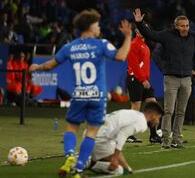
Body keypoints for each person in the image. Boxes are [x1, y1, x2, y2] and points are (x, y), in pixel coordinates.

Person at [29, 9, 132, 178]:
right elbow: (121, 57)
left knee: (71, 128)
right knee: (91, 132)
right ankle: (78, 169)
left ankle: (70, 156)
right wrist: (128, 37)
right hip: (97, 96)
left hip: (79, 94)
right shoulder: (101, 44)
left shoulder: (71, 46)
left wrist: (36, 67)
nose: (99, 28)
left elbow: (49, 66)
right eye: (97, 25)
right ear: (91, 27)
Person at [134, 8, 195, 149]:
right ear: (176, 26)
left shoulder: (192, 38)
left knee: (181, 112)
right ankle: (165, 140)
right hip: (171, 79)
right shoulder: (167, 35)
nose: (185, 29)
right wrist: (139, 23)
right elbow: (151, 34)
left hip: (186, 80)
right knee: (168, 110)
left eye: (187, 26)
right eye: (182, 26)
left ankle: (176, 139)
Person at [87, 102, 164, 175]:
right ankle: (89, 164)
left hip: (92, 132)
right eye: (158, 118)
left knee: (123, 166)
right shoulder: (142, 123)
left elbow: (116, 144)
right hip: (101, 139)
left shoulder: (136, 115)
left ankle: (87, 158)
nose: (158, 122)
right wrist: (115, 158)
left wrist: (127, 168)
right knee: (119, 170)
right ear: (153, 115)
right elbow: (122, 134)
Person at [126, 24, 161, 144]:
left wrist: (146, 79)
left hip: (144, 80)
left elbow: (144, 66)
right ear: (136, 31)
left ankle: (153, 135)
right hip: (135, 79)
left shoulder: (145, 45)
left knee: (153, 105)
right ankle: (129, 135)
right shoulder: (134, 44)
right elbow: (134, 65)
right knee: (135, 107)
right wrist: (142, 79)